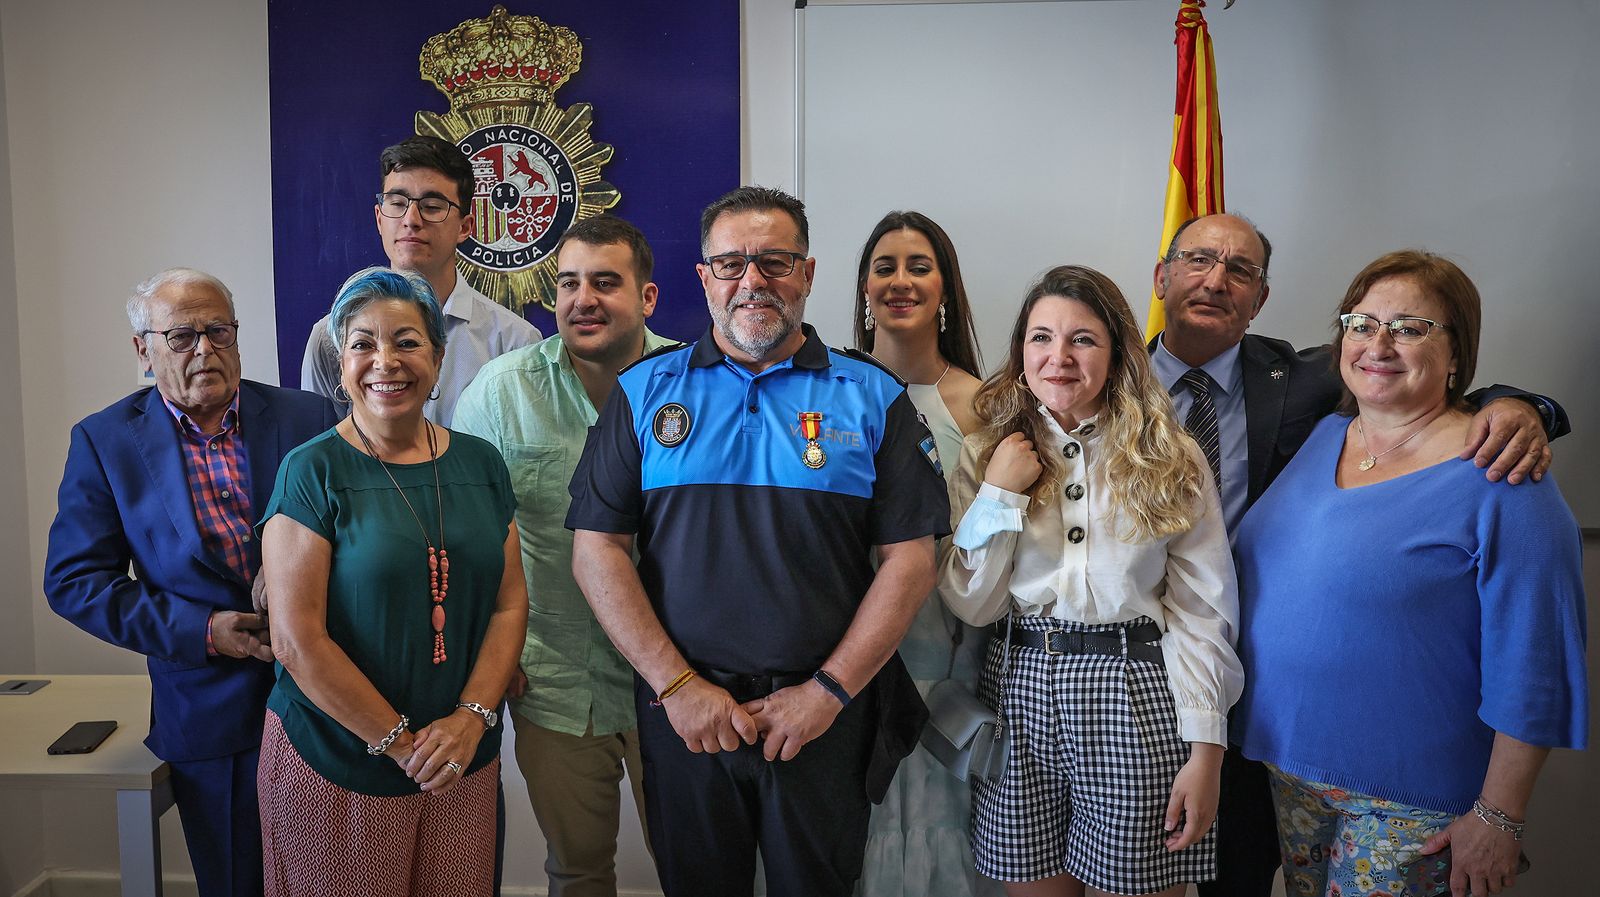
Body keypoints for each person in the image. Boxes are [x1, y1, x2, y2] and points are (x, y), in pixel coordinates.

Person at [1147, 213, 1569, 897]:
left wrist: (1521, 405)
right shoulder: (1102, 372)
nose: (1379, 342)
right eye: (1364, 323)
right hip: (1231, 727)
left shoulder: (1494, 469)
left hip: (1402, 788)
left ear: (1262, 297)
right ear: (1160, 276)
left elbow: (1535, 657)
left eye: (1409, 327)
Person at [566, 186, 950, 897]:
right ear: (704, 277)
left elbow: (913, 559)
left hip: (822, 720)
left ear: (806, 273)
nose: (753, 281)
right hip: (686, 717)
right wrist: (678, 687)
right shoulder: (644, 392)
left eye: (774, 262)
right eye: (732, 263)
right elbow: (597, 550)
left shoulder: (873, 395)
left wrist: (828, 691)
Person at [942, 265, 1241, 897]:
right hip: (1018, 689)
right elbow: (971, 601)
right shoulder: (987, 450)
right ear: (1021, 351)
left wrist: (1206, 750)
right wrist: (999, 493)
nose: (1059, 357)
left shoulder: (1169, 454)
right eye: (1041, 337)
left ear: (1117, 353)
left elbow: (1202, 608)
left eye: (1083, 339)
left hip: (1134, 689)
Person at [44, 268, 339, 897]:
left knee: (343, 878)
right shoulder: (105, 442)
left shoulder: (310, 415)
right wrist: (204, 632)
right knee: (237, 882)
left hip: (331, 699)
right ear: (142, 350)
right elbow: (75, 580)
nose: (205, 350)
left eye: (219, 331)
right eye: (181, 336)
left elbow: (366, 529)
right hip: (210, 708)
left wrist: (293, 564)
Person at [258, 267, 527, 896]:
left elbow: (509, 605)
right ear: (340, 361)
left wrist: (471, 718)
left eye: (407, 341)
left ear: (436, 355)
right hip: (336, 763)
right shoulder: (311, 470)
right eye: (362, 344)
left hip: (459, 761)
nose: (387, 361)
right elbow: (297, 639)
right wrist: (398, 742)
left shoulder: (481, 464)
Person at [454, 215, 672, 897]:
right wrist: (492, 654)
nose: (584, 299)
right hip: (553, 679)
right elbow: (465, 533)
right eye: (570, 283)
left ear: (648, 297)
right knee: (577, 872)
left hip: (679, 680)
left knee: (700, 868)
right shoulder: (499, 391)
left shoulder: (696, 384)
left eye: (606, 282)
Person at [849, 210, 1000, 897]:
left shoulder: (992, 407)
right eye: (885, 266)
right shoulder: (829, 394)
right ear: (862, 289)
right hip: (851, 654)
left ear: (946, 289)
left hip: (953, 658)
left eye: (919, 266)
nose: (901, 281)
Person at [300, 135, 540, 425]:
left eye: (432, 206)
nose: (411, 219)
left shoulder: (513, 342)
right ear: (379, 219)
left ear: (465, 227)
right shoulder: (329, 337)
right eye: (397, 202)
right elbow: (323, 450)